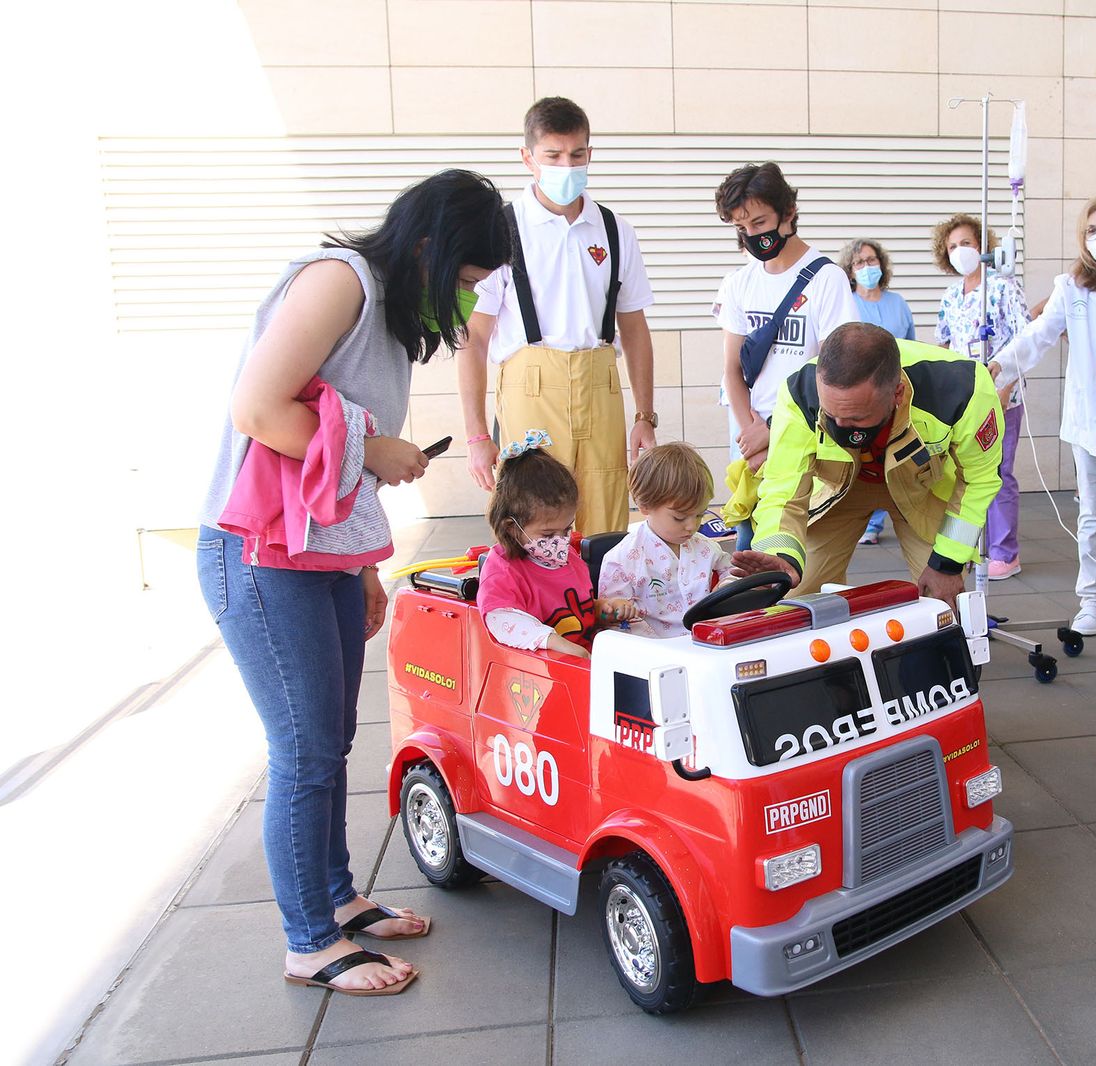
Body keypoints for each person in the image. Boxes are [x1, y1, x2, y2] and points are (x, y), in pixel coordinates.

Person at [198, 170, 512, 995]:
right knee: (303, 750)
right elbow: (259, 410)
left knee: (334, 740)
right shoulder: (340, 282)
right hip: (258, 556)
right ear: (429, 249)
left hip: (323, 555)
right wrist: (379, 452)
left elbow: (332, 466)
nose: (469, 300)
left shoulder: (392, 318)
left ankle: (336, 901)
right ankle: (308, 942)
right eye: (469, 279)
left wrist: (365, 566)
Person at [459, 96, 657, 536]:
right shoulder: (500, 231)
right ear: (528, 157)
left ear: (590, 153)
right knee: (531, 517)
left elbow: (636, 329)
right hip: (531, 387)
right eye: (553, 155)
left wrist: (645, 415)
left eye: (577, 154)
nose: (567, 166)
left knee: (604, 516)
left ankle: (598, 603)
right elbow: (473, 340)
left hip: (601, 383)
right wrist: (476, 436)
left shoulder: (615, 231)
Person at [730, 322, 1005, 610]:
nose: (841, 427)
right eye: (832, 415)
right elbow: (782, 491)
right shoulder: (799, 392)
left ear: (897, 394)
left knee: (942, 603)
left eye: (856, 418)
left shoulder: (965, 390)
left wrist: (948, 562)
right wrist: (780, 555)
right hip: (840, 489)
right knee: (793, 597)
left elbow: (979, 480)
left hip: (924, 489)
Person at [991, 195, 1096, 638]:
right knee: (1093, 514)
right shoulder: (1073, 286)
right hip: (1093, 422)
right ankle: (1092, 599)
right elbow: (1039, 334)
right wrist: (1001, 365)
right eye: (1092, 231)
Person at [713, 163, 858, 551]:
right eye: (741, 228)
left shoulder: (828, 279)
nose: (752, 236)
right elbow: (731, 369)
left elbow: (834, 370)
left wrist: (775, 430)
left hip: (803, 431)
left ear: (788, 213)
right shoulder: (740, 282)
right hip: (748, 435)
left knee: (798, 547)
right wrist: (752, 434)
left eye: (760, 222)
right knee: (747, 544)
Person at [478, 431, 639, 659]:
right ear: (511, 527)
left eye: (566, 529)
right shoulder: (503, 571)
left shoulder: (567, 557)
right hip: (545, 673)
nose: (561, 540)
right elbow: (501, 618)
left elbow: (575, 610)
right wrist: (556, 643)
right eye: (548, 533)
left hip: (588, 660)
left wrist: (602, 609)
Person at [933, 214, 1031, 580]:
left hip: (1002, 394)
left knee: (999, 472)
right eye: (953, 246)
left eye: (968, 244)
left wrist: (1004, 385)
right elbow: (943, 343)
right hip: (962, 400)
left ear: (983, 247)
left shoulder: (1003, 287)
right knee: (963, 475)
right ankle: (970, 546)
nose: (961, 251)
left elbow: (1026, 339)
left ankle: (1006, 552)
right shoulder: (951, 297)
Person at [599, 441, 734, 637]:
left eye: (699, 515)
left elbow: (732, 572)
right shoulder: (623, 559)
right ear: (645, 505)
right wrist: (618, 610)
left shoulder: (706, 547)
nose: (691, 526)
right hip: (653, 653)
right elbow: (609, 620)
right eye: (679, 517)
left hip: (708, 643)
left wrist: (727, 585)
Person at [841, 237, 915, 546]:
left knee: (894, 450)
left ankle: (891, 516)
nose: (867, 267)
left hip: (895, 387)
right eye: (860, 262)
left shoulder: (897, 302)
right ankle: (865, 520)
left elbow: (911, 342)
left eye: (872, 261)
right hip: (861, 390)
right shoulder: (848, 303)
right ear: (851, 269)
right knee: (864, 452)